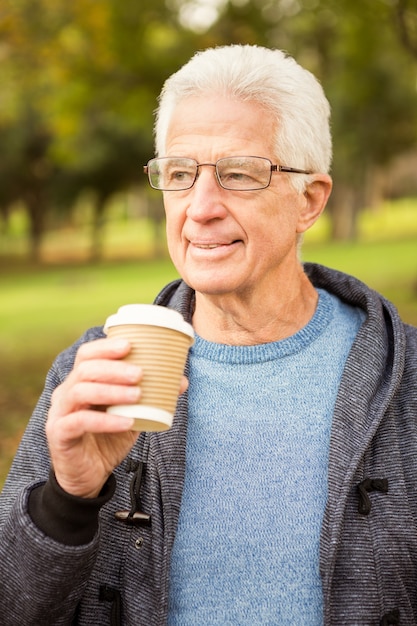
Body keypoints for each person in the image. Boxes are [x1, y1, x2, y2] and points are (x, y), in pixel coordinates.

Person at [0, 44, 416, 626]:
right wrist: (65, 501)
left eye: (238, 175)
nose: (200, 209)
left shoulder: (408, 380)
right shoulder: (96, 372)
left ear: (310, 200)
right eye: (179, 174)